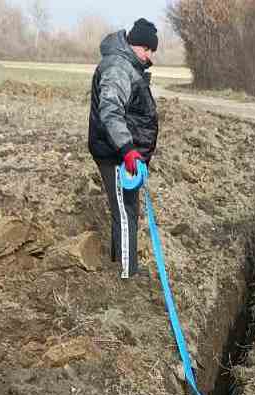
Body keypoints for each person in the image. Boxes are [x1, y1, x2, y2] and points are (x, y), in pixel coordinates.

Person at [88, 18, 160, 279]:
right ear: (136, 44)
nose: (150, 55)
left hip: (125, 154)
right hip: (115, 153)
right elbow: (110, 112)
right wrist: (128, 148)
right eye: (148, 50)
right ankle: (127, 273)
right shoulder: (118, 67)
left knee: (128, 209)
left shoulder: (130, 65)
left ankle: (120, 261)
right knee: (125, 211)